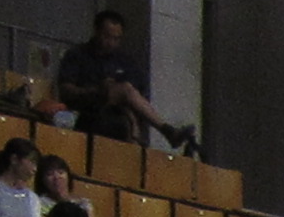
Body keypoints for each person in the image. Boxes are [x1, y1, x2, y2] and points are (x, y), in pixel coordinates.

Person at [52, 8, 190, 150]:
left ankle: (138, 145)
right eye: (107, 37)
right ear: (96, 31)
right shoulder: (77, 55)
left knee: (127, 99)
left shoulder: (124, 61)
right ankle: (166, 130)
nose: (111, 43)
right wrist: (97, 89)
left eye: (116, 39)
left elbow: (137, 91)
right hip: (87, 107)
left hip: (118, 111)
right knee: (125, 90)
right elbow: (66, 90)